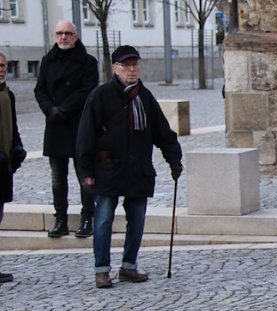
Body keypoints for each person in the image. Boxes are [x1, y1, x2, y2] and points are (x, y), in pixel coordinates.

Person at [76, 46, 183, 289]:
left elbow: (163, 133)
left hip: (138, 169)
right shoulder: (100, 95)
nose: (132, 70)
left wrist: (174, 160)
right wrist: (86, 171)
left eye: (135, 65)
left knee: (137, 220)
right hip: (108, 168)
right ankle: (102, 270)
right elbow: (85, 135)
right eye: (126, 65)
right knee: (103, 220)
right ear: (115, 68)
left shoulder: (144, 97)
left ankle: (129, 266)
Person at [34, 21, 99, 239]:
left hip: (79, 124)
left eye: (68, 33)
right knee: (58, 178)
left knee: (85, 175)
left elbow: (87, 90)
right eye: (60, 33)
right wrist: (49, 109)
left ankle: (88, 217)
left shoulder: (88, 62)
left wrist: (63, 109)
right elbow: (40, 89)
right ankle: (60, 219)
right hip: (55, 125)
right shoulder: (47, 61)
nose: (63, 37)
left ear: (75, 36)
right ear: (55, 36)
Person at [0, 51, 27, 283]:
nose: (1, 70)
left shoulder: (8, 94)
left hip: (3, 167)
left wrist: (17, 148)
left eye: (3, 66)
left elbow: (13, 126)